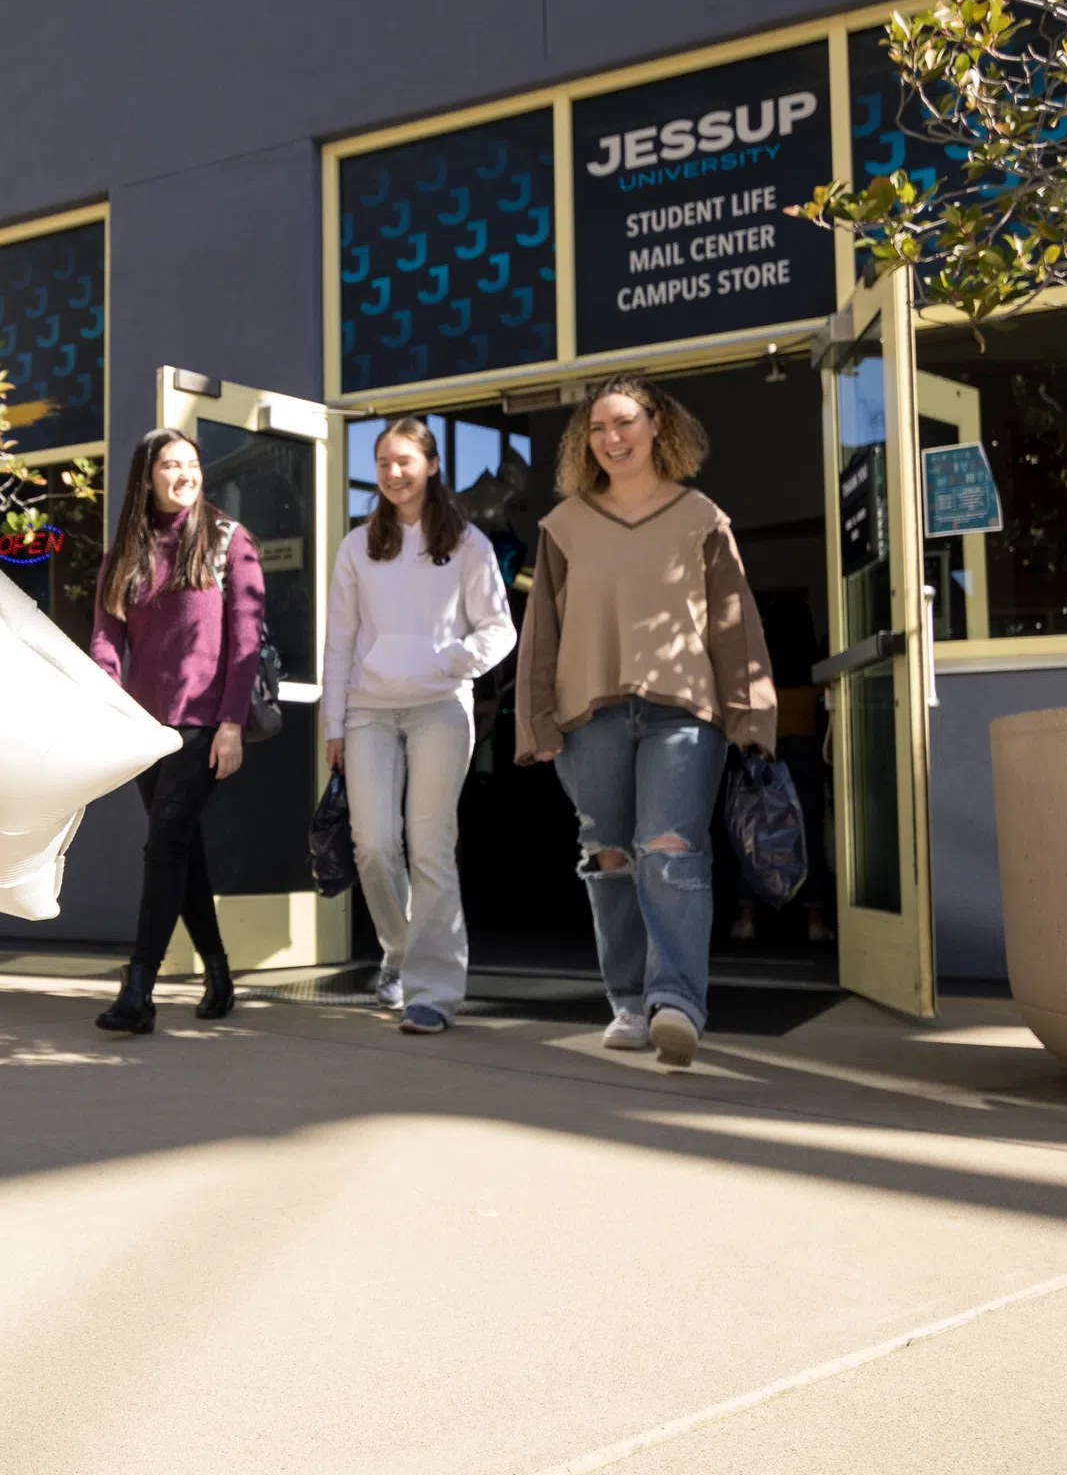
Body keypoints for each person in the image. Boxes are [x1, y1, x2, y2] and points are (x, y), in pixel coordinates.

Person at [514, 377, 775, 1068]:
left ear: (657, 424)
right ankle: (628, 1000)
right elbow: (541, 631)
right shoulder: (563, 525)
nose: (612, 437)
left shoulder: (701, 517)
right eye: (597, 427)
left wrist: (752, 715)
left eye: (624, 421)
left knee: (671, 847)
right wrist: (535, 719)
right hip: (589, 713)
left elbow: (735, 627)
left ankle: (676, 1003)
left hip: (683, 710)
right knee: (610, 855)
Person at [323, 418, 516, 1033]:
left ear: (431, 465)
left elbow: (499, 629)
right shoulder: (357, 546)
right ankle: (401, 951)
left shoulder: (468, 545)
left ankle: (434, 991)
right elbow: (341, 642)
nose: (392, 472)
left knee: (431, 847)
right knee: (374, 845)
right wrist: (334, 725)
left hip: (440, 709)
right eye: (382, 462)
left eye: (404, 460)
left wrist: (448, 663)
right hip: (369, 712)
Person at [87, 427, 265, 1034]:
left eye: (192, 465)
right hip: (144, 728)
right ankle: (218, 971)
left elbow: (244, 644)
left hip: (202, 724)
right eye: (171, 465)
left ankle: (138, 988)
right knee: (182, 852)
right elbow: (107, 643)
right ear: (147, 476)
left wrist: (232, 723)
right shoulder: (126, 551)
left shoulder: (227, 541)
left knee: (163, 847)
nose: (185, 475)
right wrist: (106, 708)